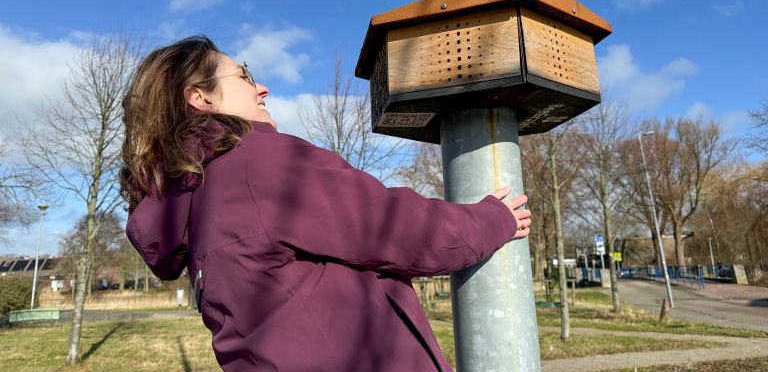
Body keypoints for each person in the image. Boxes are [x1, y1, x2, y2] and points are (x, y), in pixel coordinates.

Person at [121, 36, 532, 372]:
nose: (261, 88)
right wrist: (494, 218)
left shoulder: (192, 202)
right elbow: (401, 228)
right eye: (244, 76)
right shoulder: (256, 163)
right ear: (200, 98)